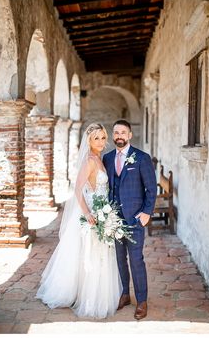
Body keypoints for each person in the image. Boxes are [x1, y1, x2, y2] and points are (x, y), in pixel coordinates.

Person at [36, 123, 122, 318]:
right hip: (90, 215)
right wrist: (89, 214)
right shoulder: (90, 161)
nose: (100, 142)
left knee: (99, 255)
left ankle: (97, 294)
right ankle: (87, 297)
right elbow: (77, 190)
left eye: (102, 137)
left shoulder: (100, 159)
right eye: (96, 138)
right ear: (89, 141)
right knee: (88, 255)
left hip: (102, 211)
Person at [103, 119, 157, 320]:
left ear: (130, 135)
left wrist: (146, 213)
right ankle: (125, 294)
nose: (119, 136)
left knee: (136, 260)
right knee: (119, 259)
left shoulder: (142, 158)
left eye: (123, 132)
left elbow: (151, 189)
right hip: (113, 220)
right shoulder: (107, 158)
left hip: (135, 219)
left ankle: (141, 300)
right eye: (116, 132)